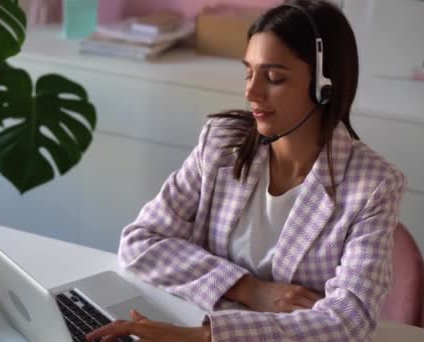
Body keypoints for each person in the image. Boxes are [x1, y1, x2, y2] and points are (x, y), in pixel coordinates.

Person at [87, 1, 406, 341]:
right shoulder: (221, 143)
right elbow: (140, 241)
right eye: (249, 72)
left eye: (274, 77)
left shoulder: (373, 185)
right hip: (191, 318)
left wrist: (209, 338)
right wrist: (248, 289)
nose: (251, 92)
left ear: (324, 86)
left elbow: (350, 320)